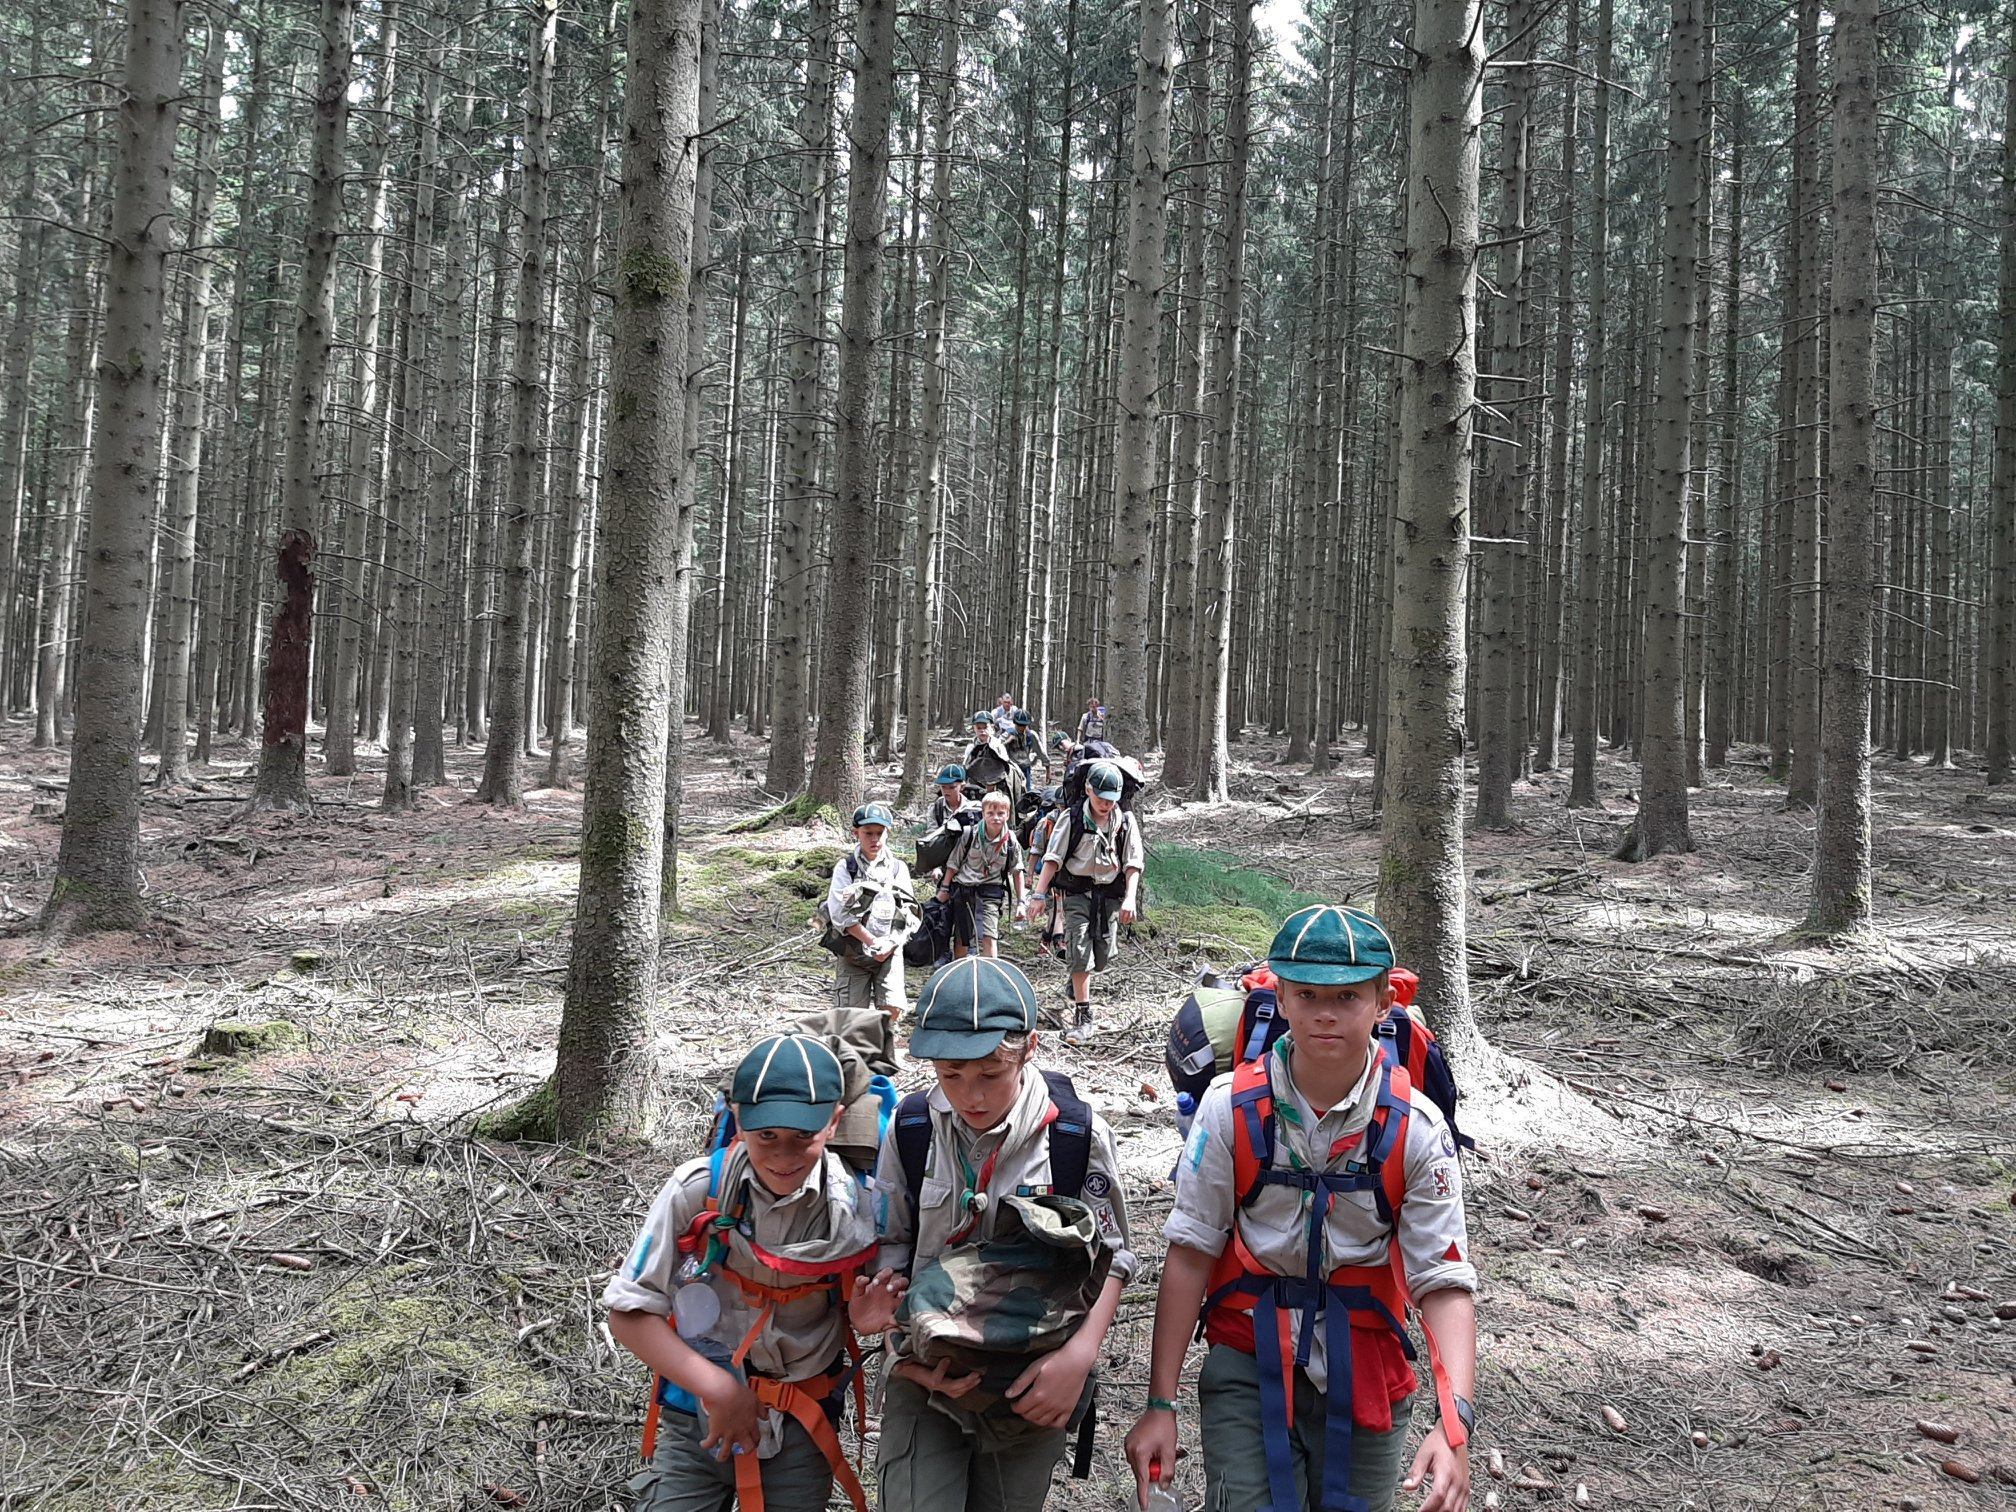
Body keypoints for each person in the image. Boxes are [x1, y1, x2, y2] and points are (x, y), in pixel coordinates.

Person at [1122, 906, 1478, 1512]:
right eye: (1307, 993)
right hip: (1248, 1356)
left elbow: (1443, 1283)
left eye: (1347, 996)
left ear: (1382, 1001)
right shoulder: (1228, 1110)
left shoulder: (1416, 1128)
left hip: (1367, 1364)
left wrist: (1454, 1427)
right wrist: (1161, 1404)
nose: (1325, 1013)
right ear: (1280, 997)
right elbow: (1189, 1255)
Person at [851, 958, 1134, 1512]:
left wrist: (1077, 1360)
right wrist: (892, 1345)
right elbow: (891, 1242)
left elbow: (1115, 1260)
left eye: (989, 1073)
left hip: (1028, 1377)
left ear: (1028, 1049)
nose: (970, 1095)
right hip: (925, 1374)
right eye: (949, 1076)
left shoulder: (1075, 1137)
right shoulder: (910, 1129)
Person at [607, 1033, 880, 1512]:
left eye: (803, 1137)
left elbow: (866, 1307)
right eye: (766, 1135)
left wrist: (870, 1314)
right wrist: (719, 1389)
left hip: (801, 1420)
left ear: (834, 1122)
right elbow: (628, 1312)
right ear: (738, 1118)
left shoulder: (857, 1208)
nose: (783, 1155)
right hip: (696, 1415)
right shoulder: (697, 1192)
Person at [1024, 760, 1143, 1046]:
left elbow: (1133, 864)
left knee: (1102, 958)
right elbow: (1052, 859)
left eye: (1111, 800)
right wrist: (1039, 895)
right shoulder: (1072, 818)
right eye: (1101, 799)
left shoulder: (1124, 821)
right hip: (1077, 894)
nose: (1106, 805)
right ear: (1088, 789)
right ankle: (1083, 1016)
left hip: (1109, 896)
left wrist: (1129, 898)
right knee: (1078, 949)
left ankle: (1078, 978)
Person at [826, 803, 917, 1021]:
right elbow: (838, 913)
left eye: (880, 833)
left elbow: (909, 912)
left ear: (888, 832)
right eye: (868, 833)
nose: (874, 839)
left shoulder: (897, 868)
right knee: (850, 1015)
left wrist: (891, 943)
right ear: (855, 833)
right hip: (853, 950)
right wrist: (869, 941)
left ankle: (883, 1049)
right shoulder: (846, 867)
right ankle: (854, 1053)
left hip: (889, 950)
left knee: (892, 1008)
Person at [937, 790, 1025, 959]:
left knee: (989, 935)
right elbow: (953, 863)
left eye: (1001, 813)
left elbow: (1017, 871)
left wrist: (1021, 902)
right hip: (964, 888)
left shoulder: (1011, 841)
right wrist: (944, 888)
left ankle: (989, 977)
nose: (996, 818)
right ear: (983, 813)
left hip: (991, 890)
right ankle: (960, 974)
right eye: (990, 813)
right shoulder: (970, 834)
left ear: (1008, 814)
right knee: (962, 938)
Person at [1004, 710, 1050, 791]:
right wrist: (1007, 742)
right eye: (1019, 725)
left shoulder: (1031, 735)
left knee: (1027, 793)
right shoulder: (1007, 734)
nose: (1022, 728)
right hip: (1011, 770)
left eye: (1024, 725)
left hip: (1025, 769)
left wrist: (1048, 770)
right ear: (1015, 723)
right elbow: (996, 748)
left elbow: (1041, 752)